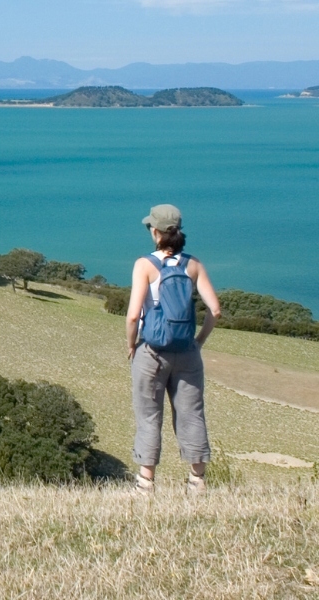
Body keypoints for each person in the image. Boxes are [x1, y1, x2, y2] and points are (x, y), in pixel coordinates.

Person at [126, 203, 220, 494]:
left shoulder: (144, 265)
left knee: (149, 416)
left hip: (151, 352)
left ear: (155, 232)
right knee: (192, 414)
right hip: (187, 352)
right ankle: (197, 481)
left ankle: (146, 484)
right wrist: (198, 342)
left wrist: (131, 346)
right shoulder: (193, 265)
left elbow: (133, 316)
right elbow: (215, 310)